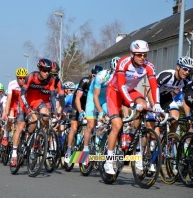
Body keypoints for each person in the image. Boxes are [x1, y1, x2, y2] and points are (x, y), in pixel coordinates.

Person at [104, 40, 161, 174]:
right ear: (132, 54)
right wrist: (130, 103)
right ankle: (108, 160)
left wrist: (157, 103)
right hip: (115, 92)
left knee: (144, 104)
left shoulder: (149, 66)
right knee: (117, 125)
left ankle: (137, 147)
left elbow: (154, 86)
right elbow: (122, 85)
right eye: (139, 55)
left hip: (130, 90)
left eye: (145, 55)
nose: (142, 58)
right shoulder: (123, 63)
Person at [11, 59, 59, 167]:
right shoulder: (31, 77)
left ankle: (35, 137)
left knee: (45, 116)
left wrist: (55, 111)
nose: (47, 73)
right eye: (44, 70)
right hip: (25, 101)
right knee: (21, 125)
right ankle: (14, 154)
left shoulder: (50, 79)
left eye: (48, 70)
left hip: (37, 101)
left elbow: (52, 96)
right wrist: (28, 109)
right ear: (39, 69)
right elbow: (22, 94)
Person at [64, 65, 102, 163]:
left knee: (92, 125)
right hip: (78, 103)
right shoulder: (85, 81)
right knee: (74, 126)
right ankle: (68, 150)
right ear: (91, 75)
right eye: (94, 76)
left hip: (89, 104)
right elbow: (77, 98)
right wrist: (81, 111)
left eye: (97, 76)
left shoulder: (100, 85)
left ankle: (88, 151)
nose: (95, 78)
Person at [147, 56, 193, 136]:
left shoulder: (186, 80)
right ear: (178, 67)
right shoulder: (167, 75)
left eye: (190, 70)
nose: (187, 72)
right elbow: (151, 91)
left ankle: (169, 143)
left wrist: (188, 115)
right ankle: (146, 147)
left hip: (166, 98)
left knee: (175, 120)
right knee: (154, 131)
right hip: (153, 97)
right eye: (185, 69)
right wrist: (155, 107)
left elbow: (185, 98)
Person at [1, 68, 28, 167]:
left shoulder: (27, 84)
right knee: (11, 119)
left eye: (24, 78)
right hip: (13, 102)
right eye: (20, 78)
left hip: (22, 105)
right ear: (17, 78)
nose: (22, 80)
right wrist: (6, 113)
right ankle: (5, 134)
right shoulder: (12, 84)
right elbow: (8, 99)